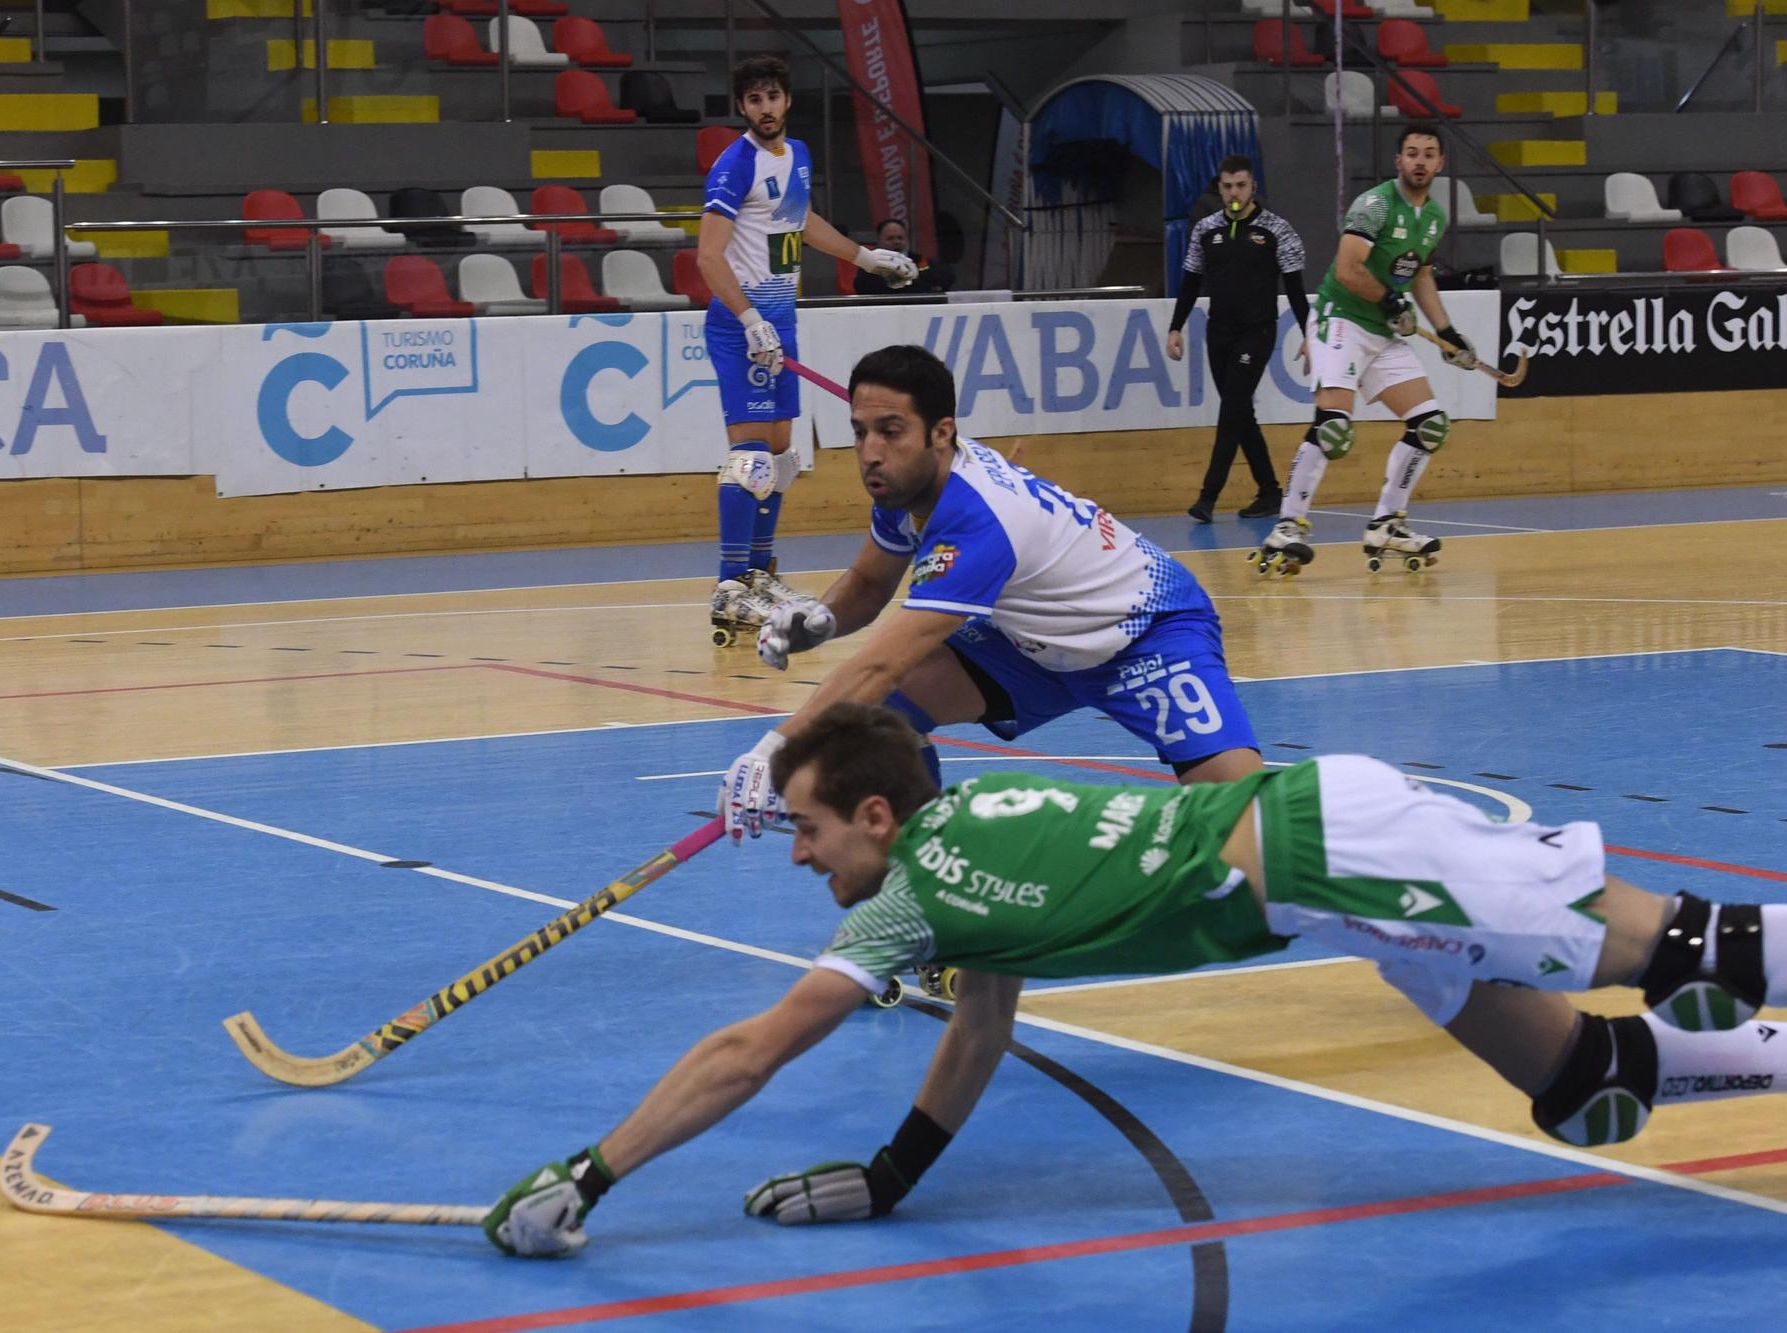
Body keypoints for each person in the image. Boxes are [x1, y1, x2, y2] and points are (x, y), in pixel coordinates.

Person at [484, 701, 1787, 1256]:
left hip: (1340, 850)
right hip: (1329, 873)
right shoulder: (964, 830)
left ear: (877, 819)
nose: (801, 856)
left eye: (812, 829)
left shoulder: (906, 900)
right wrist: (895, 1173)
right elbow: (981, 1024)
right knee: (1585, 1084)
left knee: (1693, 949)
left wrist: (590, 1172)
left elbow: (748, 1051)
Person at [714, 343, 1262, 847]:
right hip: (1033, 648)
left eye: (890, 431)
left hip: (1148, 637)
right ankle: (932, 892)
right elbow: (870, 582)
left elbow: (881, 662)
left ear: (941, 433)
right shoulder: (907, 484)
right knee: (880, 721)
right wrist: (821, 617)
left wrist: (778, 748)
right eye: (861, 432)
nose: (871, 453)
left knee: (1249, 827)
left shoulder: (977, 521)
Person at [699, 54, 922, 645]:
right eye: (753, 101)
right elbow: (708, 256)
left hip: (779, 321)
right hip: (741, 324)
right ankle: (729, 587)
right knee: (749, 455)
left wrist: (866, 257)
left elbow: (799, 224)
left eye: (772, 97)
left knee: (779, 459)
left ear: (786, 100)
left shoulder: (795, 156)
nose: (765, 109)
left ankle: (760, 571)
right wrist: (748, 319)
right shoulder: (733, 164)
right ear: (743, 108)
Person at [1252, 124, 1479, 576]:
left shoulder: (1434, 216)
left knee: (1431, 426)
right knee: (1334, 428)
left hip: (1382, 332)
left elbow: (1420, 276)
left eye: (1428, 154)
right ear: (1398, 161)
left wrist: (1448, 332)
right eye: (1411, 153)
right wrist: (1391, 302)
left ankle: (1387, 524)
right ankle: (1287, 526)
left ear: (1440, 164)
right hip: (1341, 319)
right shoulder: (1374, 205)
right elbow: (1348, 268)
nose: (1419, 160)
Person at [1164, 154, 1308, 524]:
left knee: (1231, 411)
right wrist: (1175, 326)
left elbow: (1295, 289)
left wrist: (1310, 336)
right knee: (1240, 411)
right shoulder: (1206, 230)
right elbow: (1191, 282)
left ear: (1253, 187)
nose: (1234, 193)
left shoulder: (1278, 230)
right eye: (1227, 186)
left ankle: (1208, 497)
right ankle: (1270, 491)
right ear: (1220, 187)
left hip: (1257, 332)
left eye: (1241, 186)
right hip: (1219, 332)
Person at [859, 217, 954, 294]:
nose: (896, 242)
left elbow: (947, 277)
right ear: (879, 241)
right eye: (890, 238)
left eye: (900, 238)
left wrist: (909, 278)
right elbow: (865, 286)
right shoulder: (870, 263)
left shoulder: (921, 261)